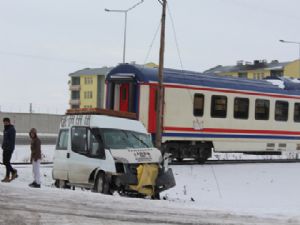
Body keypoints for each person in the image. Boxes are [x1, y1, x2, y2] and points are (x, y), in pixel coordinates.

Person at [1, 117, 17, 182]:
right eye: (4, 122)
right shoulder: (5, 129)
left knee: (7, 162)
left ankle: (7, 176)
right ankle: (13, 171)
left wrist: (9, 147)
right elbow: (5, 139)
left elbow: (12, 140)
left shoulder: (11, 129)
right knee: (5, 162)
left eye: (6, 122)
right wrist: (3, 145)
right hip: (5, 148)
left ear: (9, 122)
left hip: (9, 148)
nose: (5, 123)